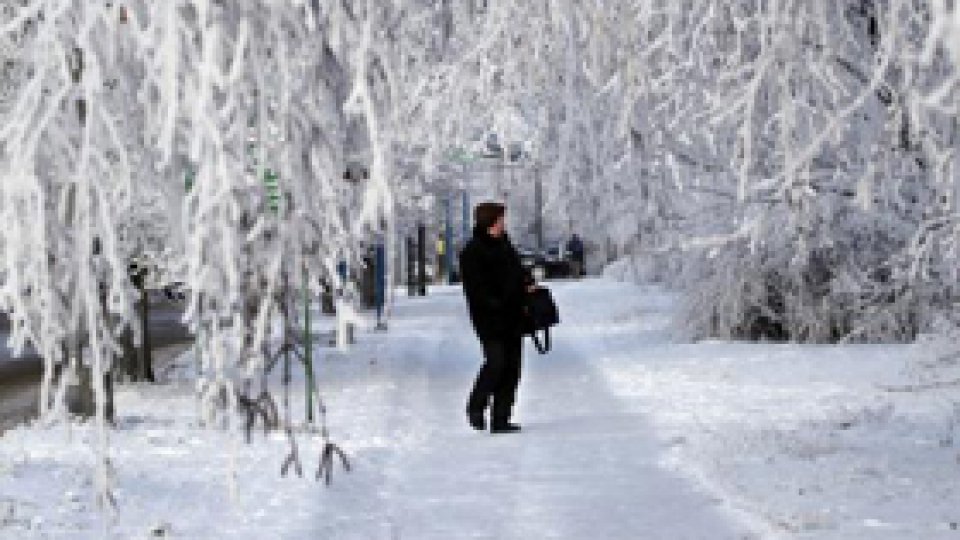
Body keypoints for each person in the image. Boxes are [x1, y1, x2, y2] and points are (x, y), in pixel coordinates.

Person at [460, 202, 533, 434]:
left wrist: (527, 283)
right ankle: (476, 405)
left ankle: (501, 418)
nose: (504, 223)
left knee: (513, 368)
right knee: (496, 363)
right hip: (489, 319)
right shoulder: (472, 252)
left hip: (513, 316)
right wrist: (497, 303)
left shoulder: (505, 244)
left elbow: (517, 271)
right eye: (501, 219)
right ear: (490, 221)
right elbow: (477, 289)